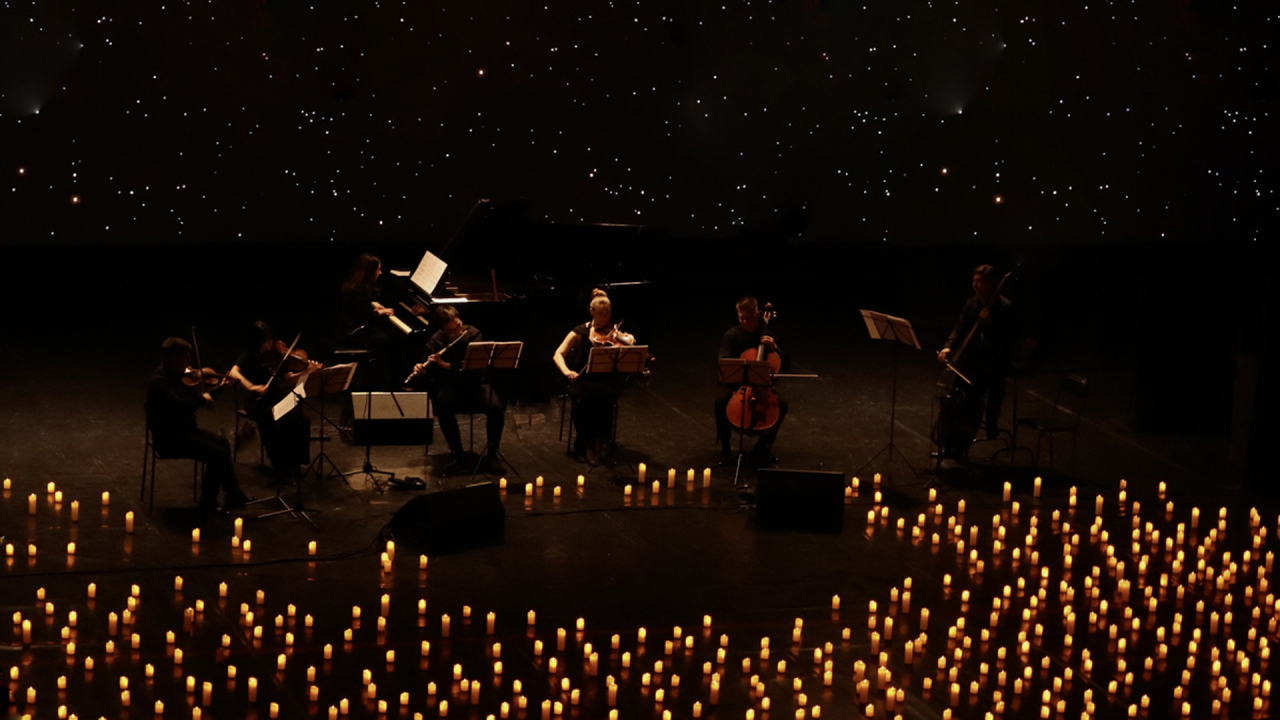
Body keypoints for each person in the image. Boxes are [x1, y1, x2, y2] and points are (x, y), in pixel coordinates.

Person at [145, 337, 253, 516]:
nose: (189, 363)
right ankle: (208, 503)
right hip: (169, 439)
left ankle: (232, 493)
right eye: (185, 358)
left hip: (185, 432)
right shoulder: (160, 382)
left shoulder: (177, 376)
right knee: (216, 453)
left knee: (222, 443)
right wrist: (203, 398)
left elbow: (197, 400)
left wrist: (221, 386)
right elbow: (181, 404)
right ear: (172, 359)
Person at [408, 306, 506, 475]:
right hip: (450, 386)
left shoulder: (473, 334)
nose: (458, 331)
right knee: (441, 405)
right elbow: (431, 371)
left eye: (458, 325)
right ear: (442, 330)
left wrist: (446, 365)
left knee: (497, 408)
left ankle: (492, 453)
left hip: (475, 384)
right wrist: (421, 368)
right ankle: (457, 455)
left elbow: (476, 367)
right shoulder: (434, 341)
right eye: (452, 330)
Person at [936, 264, 1016, 455]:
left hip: (994, 364)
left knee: (975, 402)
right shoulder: (972, 304)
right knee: (956, 401)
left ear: (991, 283)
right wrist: (948, 346)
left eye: (980, 281)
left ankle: (985, 428)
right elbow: (960, 327)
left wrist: (990, 323)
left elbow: (1007, 340)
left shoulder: (1005, 307)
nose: (975, 285)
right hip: (971, 362)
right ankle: (953, 441)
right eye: (974, 281)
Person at [227, 321, 322, 480]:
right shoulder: (249, 356)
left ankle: (296, 463)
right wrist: (252, 387)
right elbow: (233, 372)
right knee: (273, 421)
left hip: (278, 398)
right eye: (266, 340)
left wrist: (307, 372)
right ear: (258, 341)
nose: (271, 343)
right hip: (258, 402)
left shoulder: (276, 355)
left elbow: (288, 379)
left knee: (302, 420)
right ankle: (280, 465)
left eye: (270, 339)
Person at [553, 289, 636, 462]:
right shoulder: (579, 331)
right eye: (601, 314)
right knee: (585, 400)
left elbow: (629, 344)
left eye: (608, 313)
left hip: (606, 380)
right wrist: (567, 371)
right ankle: (586, 442)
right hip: (582, 380)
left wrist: (626, 342)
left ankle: (603, 440)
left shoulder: (613, 332)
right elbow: (558, 354)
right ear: (592, 312)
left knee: (606, 396)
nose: (605, 318)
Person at [715, 297, 789, 465]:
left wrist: (776, 348)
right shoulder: (732, 335)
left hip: (762, 387)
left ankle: (762, 448)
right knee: (720, 401)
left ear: (757, 314)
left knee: (782, 405)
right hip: (737, 385)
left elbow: (786, 364)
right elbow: (723, 360)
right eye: (741, 318)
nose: (745, 322)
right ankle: (725, 449)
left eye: (748, 318)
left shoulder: (768, 336)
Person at [336, 252, 401, 389]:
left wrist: (376, 311)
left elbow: (361, 311)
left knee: (387, 335)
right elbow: (364, 316)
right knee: (386, 337)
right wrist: (379, 312)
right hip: (351, 333)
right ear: (370, 271)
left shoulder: (356, 285)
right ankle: (385, 378)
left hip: (353, 327)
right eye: (378, 269)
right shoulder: (356, 290)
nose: (380, 273)